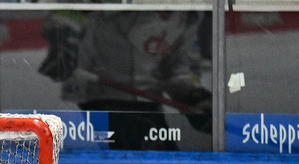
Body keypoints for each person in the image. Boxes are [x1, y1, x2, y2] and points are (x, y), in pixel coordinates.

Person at [39, 9, 212, 150]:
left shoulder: (191, 13)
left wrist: (194, 97)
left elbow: (175, 69)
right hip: (101, 98)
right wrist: (64, 42)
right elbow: (68, 10)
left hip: (146, 103)